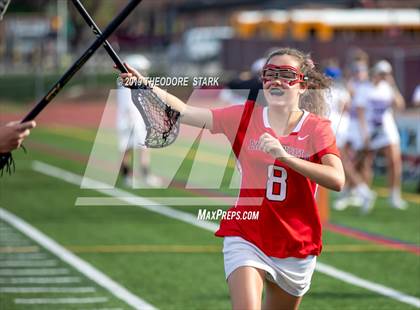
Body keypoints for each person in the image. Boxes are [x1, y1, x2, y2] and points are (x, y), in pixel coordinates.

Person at [119, 47, 345, 309]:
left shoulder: (317, 128)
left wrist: (285, 157)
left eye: (286, 74)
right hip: (247, 234)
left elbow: (336, 179)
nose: (276, 80)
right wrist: (143, 84)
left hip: (296, 245)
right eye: (269, 74)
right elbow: (186, 111)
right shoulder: (244, 116)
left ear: (302, 86)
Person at [354, 60, 407, 212]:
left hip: (386, 128)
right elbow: (360, 112)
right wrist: (364, 133)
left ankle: (394, 195)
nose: (384, 76)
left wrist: (393, 86)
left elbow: (400, 105)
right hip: (370, 129)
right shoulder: (365, 88)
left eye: (386, 74)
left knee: (395, 161)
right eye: (382, 73)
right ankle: (365, 196)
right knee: (366, 162)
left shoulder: (387, 88)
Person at [116, 55, 162, 187]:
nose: (144, 72)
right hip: (130, 121)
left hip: (134, 121)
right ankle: (131, 176)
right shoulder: (126, 83)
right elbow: (128, 105)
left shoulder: (129, 82)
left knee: (138, 148)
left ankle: (136, 176)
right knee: (131, 149)